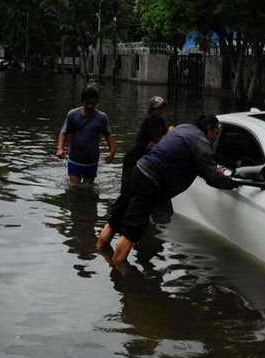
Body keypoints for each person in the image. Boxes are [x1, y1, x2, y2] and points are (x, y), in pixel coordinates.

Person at [97, 114, 239, 265]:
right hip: (151, 181)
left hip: (139, 169)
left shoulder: (183, 127)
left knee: (116, 218)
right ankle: (118, 274)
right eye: (216, 133)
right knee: (132, 229)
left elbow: (176, 146)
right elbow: (212, 178)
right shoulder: (201, 143)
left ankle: (100, 252)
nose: (215, 138)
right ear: (209, 129)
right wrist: (233, 181)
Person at [56, 86, 116, 184]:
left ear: (96, 102)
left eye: (93, 104)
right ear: (83, 101)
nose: (90, 106)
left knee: (88, 187)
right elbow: (64, 132)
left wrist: (112, 151)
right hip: (75, 158)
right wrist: (60, 148)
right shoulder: (73, 115)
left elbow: (108, 134)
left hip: (92, 160)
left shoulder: (101, 117)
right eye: (88, 103)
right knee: (75, 188)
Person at [121, 96, 170, 187]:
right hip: (133, 159)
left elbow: (165, 136)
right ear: (151, 110)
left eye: (163, 108)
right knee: (127, 188)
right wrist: (169, 133)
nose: (161, 111)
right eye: (158, 108)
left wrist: (164, 136)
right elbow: (160, 139)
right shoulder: (151, 119)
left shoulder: (160, 119)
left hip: (143, 159)